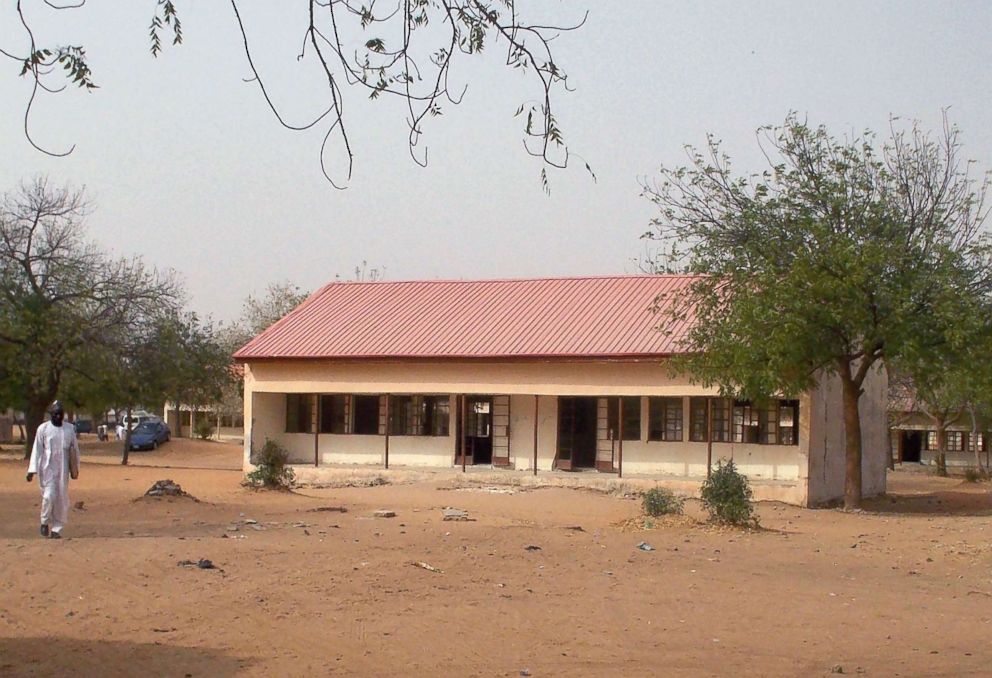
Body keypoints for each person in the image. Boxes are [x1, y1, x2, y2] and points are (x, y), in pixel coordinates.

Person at [26, 400, 80, 538]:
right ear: (51, 414)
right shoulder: (43, 429)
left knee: (61, 499)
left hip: (63, 469)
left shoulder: (69, 429)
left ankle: (56, 529)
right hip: (47, 468)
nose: (58, 416)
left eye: (60, 414)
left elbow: (75, 450)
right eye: (56, 414)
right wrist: (32, 470)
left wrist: (75, 469)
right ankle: (44, 522)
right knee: (49, 496)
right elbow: (37, 450)